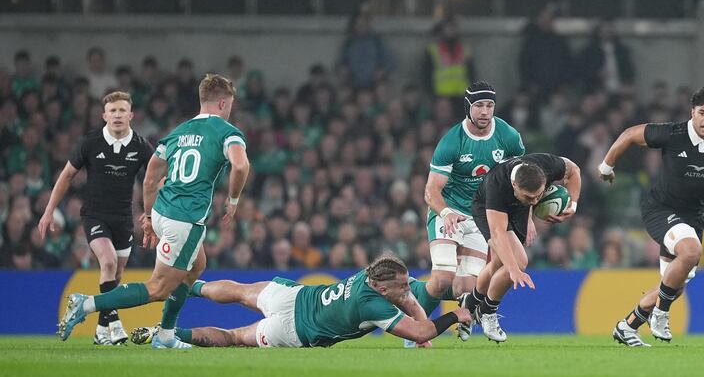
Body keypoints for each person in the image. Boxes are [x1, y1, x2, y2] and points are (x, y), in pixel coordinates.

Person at [58, 74, 250, 349]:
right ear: (222, 102)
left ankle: (166, 334)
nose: (230, 110)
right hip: (184, 219)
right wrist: (233, 199)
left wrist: (148, 218)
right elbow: (241, 166)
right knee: (159, 288)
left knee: (196, 266)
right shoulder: (227, 132)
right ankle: (86, 304)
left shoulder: (178, 133)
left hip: (161, 210)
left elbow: (150, 178)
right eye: (229, 105)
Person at [600, 87, 704, 347]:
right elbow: (629, 135)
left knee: (674, 284)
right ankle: (661, 314)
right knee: (690, 252)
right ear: (692, 112)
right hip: (660, 209)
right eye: (702, 113)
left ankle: (627, 326)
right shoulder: (673, 133)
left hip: (693, 216)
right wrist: (607, 166)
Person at [129, 254, 471, 349]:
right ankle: (170, 334)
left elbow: (408, 296)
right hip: (292, 328)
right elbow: (420, 332)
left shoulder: (374, 276)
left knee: (235, 289)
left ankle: (188, 285)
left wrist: (413, 305)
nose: (407, 287)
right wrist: (454, 315)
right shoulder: (374, 305)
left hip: (292, 294)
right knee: (235, 337)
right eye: (401, 285)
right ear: (383, 289)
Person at [38, 91, 153, 345]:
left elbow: (155, 178)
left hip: (123, 218)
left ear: (131, 115)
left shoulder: (141, 146)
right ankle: (115, 324)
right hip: (95, 215)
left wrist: (151, 214)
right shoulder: (90, 143)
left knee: (116, 275)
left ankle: (101, 331)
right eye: (112, 111)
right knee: (108, 261)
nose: (117, 115)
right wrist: (48, 211)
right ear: (104, 116)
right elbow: (66, 176)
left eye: (122, 110)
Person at [424, 81, 525, 341]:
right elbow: (431, 190)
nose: (484, 111)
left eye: (489, 105)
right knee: (442, 279)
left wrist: (528, 218)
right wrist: (445, 213)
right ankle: (416, 324)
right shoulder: (451, 141)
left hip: (481, 215)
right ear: (468, 107)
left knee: (466, 286)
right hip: (449, 213)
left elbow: (522, 181)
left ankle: (466, 313)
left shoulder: (508, 136)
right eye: (479, 105)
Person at [462, 153, 581, 342]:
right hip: (486, 209)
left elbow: (574, 170)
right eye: (529, 197)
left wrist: (572, 205)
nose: (535, 201)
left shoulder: (545, 166)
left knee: (496, 265)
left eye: (538, 196)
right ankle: (487, 311)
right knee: (518, 261)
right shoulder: (498, 184)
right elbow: (498, 233)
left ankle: (469, 305)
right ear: (515, 185)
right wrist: (513, 270)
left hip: (517, 208)